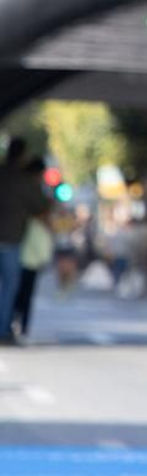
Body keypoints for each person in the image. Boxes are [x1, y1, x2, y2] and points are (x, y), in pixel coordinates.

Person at [0, 139, 49, 346]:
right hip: (10, 239)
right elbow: (41, 207)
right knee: (10, 286)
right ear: (22, 156)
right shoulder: (23, 180)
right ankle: (3, 330)